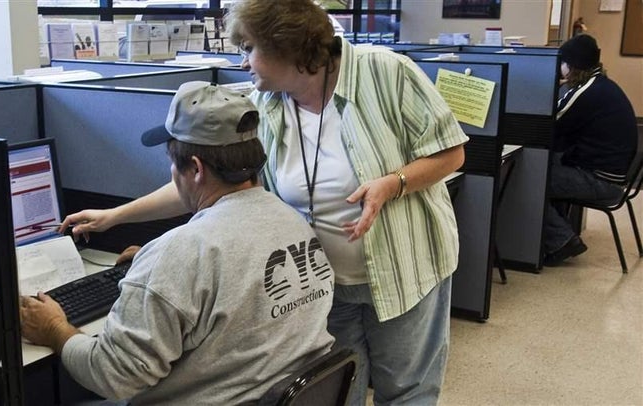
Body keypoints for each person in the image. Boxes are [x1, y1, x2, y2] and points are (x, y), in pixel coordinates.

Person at [63, 1, 468, 403]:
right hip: (323, 277)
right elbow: (202, 184)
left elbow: (451, 153)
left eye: (248, 49)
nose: (242, 63)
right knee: (342, 385)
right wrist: (114, 216)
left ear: (286, 46)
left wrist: (392, 184)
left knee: (407, 390)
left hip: (405, 265)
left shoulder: (385, 72)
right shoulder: (264, 106)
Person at [20, 81, 335, 405]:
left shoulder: (183, 253)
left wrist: (55, 329)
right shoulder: (294, 222)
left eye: (173, 164)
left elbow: (111, 375)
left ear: (195, 169)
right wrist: (159, 267)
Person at [543, 34, 638, 267]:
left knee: (530, 181)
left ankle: (561, 241)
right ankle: (557, 234)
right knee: (548, 165)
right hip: (613, 176)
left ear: (572, 65)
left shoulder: (585, 92)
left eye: (563, 62)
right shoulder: (602, 85)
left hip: (603, 182)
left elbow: (548, 125)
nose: (560, 66)